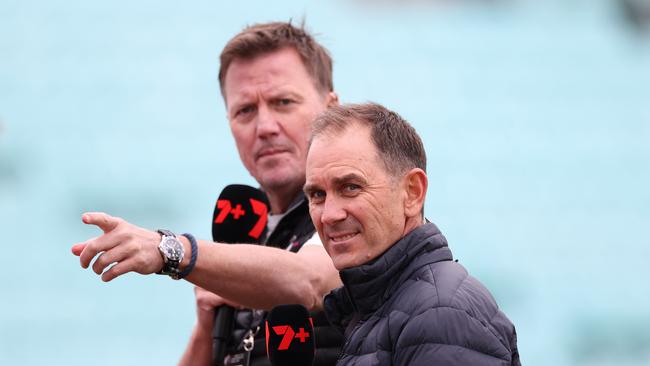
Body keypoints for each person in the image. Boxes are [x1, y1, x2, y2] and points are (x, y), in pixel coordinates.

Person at [71, 22, 343, 366]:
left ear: (331, 108)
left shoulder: (354, 205)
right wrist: (208, 325)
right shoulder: (247, 230)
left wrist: (171, 250)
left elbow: (310, 281)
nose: (265, 127)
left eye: (283, 102)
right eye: (245, 111)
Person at [303, 103, 521, 365]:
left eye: (350, 187)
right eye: (317, 195)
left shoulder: (440, 315)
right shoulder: (378, 310)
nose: (329, 215)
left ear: (412, 193)